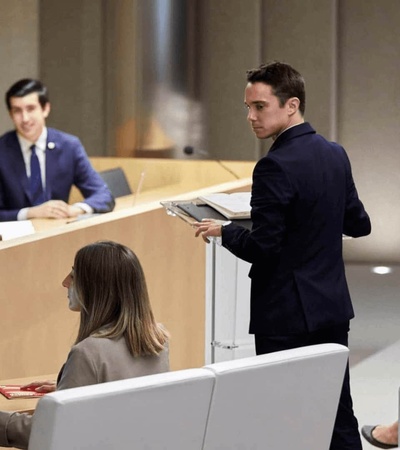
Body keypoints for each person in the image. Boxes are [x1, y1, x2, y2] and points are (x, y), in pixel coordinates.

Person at [194, 61, 371, 450]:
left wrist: (226, 231)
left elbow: (264, 249)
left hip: (286, 314)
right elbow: (359, 225)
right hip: (330, 306)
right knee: (338, 411)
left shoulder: (273, 166)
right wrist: (316, 221)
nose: (250, 117)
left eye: (259, 106)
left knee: (285, 415)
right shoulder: (334, 153)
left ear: (292, 105)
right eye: (247, 107)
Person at [0, 240, 169, 449]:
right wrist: (77, 384)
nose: (65, 282)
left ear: (95, 287)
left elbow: (51, 433)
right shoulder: (158, 339)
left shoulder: (88, 353)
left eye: (73, 275)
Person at [0, 79, 115, 222]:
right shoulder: (2, 151)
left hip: (56, 232)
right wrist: (31, 213)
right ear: (11, 114)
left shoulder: (69, 146)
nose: (25, 118)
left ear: (45, 109)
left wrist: (73, 210)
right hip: (14, 239)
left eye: (30, 109)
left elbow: (103, 195)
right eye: (17, 111)